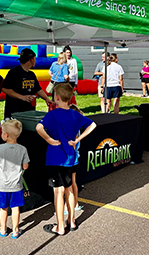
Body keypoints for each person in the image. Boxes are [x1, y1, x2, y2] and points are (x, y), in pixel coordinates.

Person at [36, 83, 96, 235]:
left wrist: (49, 140)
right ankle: (72, 221)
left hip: (55, 158)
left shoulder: (52, 114)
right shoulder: (75, 114)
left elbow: (38, 128)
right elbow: (93, 125)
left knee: (58, 192)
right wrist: (77, 139)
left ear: (56, 97)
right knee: (68, 190)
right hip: (69, 158)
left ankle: (60, 226)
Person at [2, 48, 52, 120]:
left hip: (29, 111)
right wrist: (22, 97)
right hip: (15, 111)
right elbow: (5, 88)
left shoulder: (32, 74)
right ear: (31, 60)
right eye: (34, 59)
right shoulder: (14, 72)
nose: (35, 61)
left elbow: (38, 89)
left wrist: (47, 99)